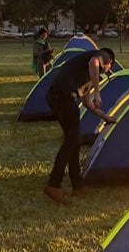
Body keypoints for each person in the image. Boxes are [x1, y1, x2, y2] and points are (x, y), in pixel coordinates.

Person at [43, 48, 117, 204]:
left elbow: (86, 102)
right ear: (109, 62)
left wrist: (105, 117)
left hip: (56, 97)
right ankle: (53, 184)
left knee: (73, 141)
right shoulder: (100, 55)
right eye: (108, 68)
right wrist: (98, 92)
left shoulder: (85, 75)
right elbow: (94, 62)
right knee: (73, 141)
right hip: (63, 96)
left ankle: (77, 185)